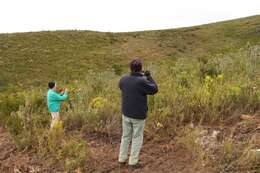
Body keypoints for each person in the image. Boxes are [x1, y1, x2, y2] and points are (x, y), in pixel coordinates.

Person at [118, 58, 158, 169]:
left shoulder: (124, 79)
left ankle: (121, 160)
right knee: (137, 138)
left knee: (125, 136)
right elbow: (154, 89)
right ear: (141, 69)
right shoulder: (142, 81)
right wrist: (148, 76)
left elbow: (121, 86)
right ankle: (132, 163)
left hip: (126, 113)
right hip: (138, 115)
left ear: (130, 68)